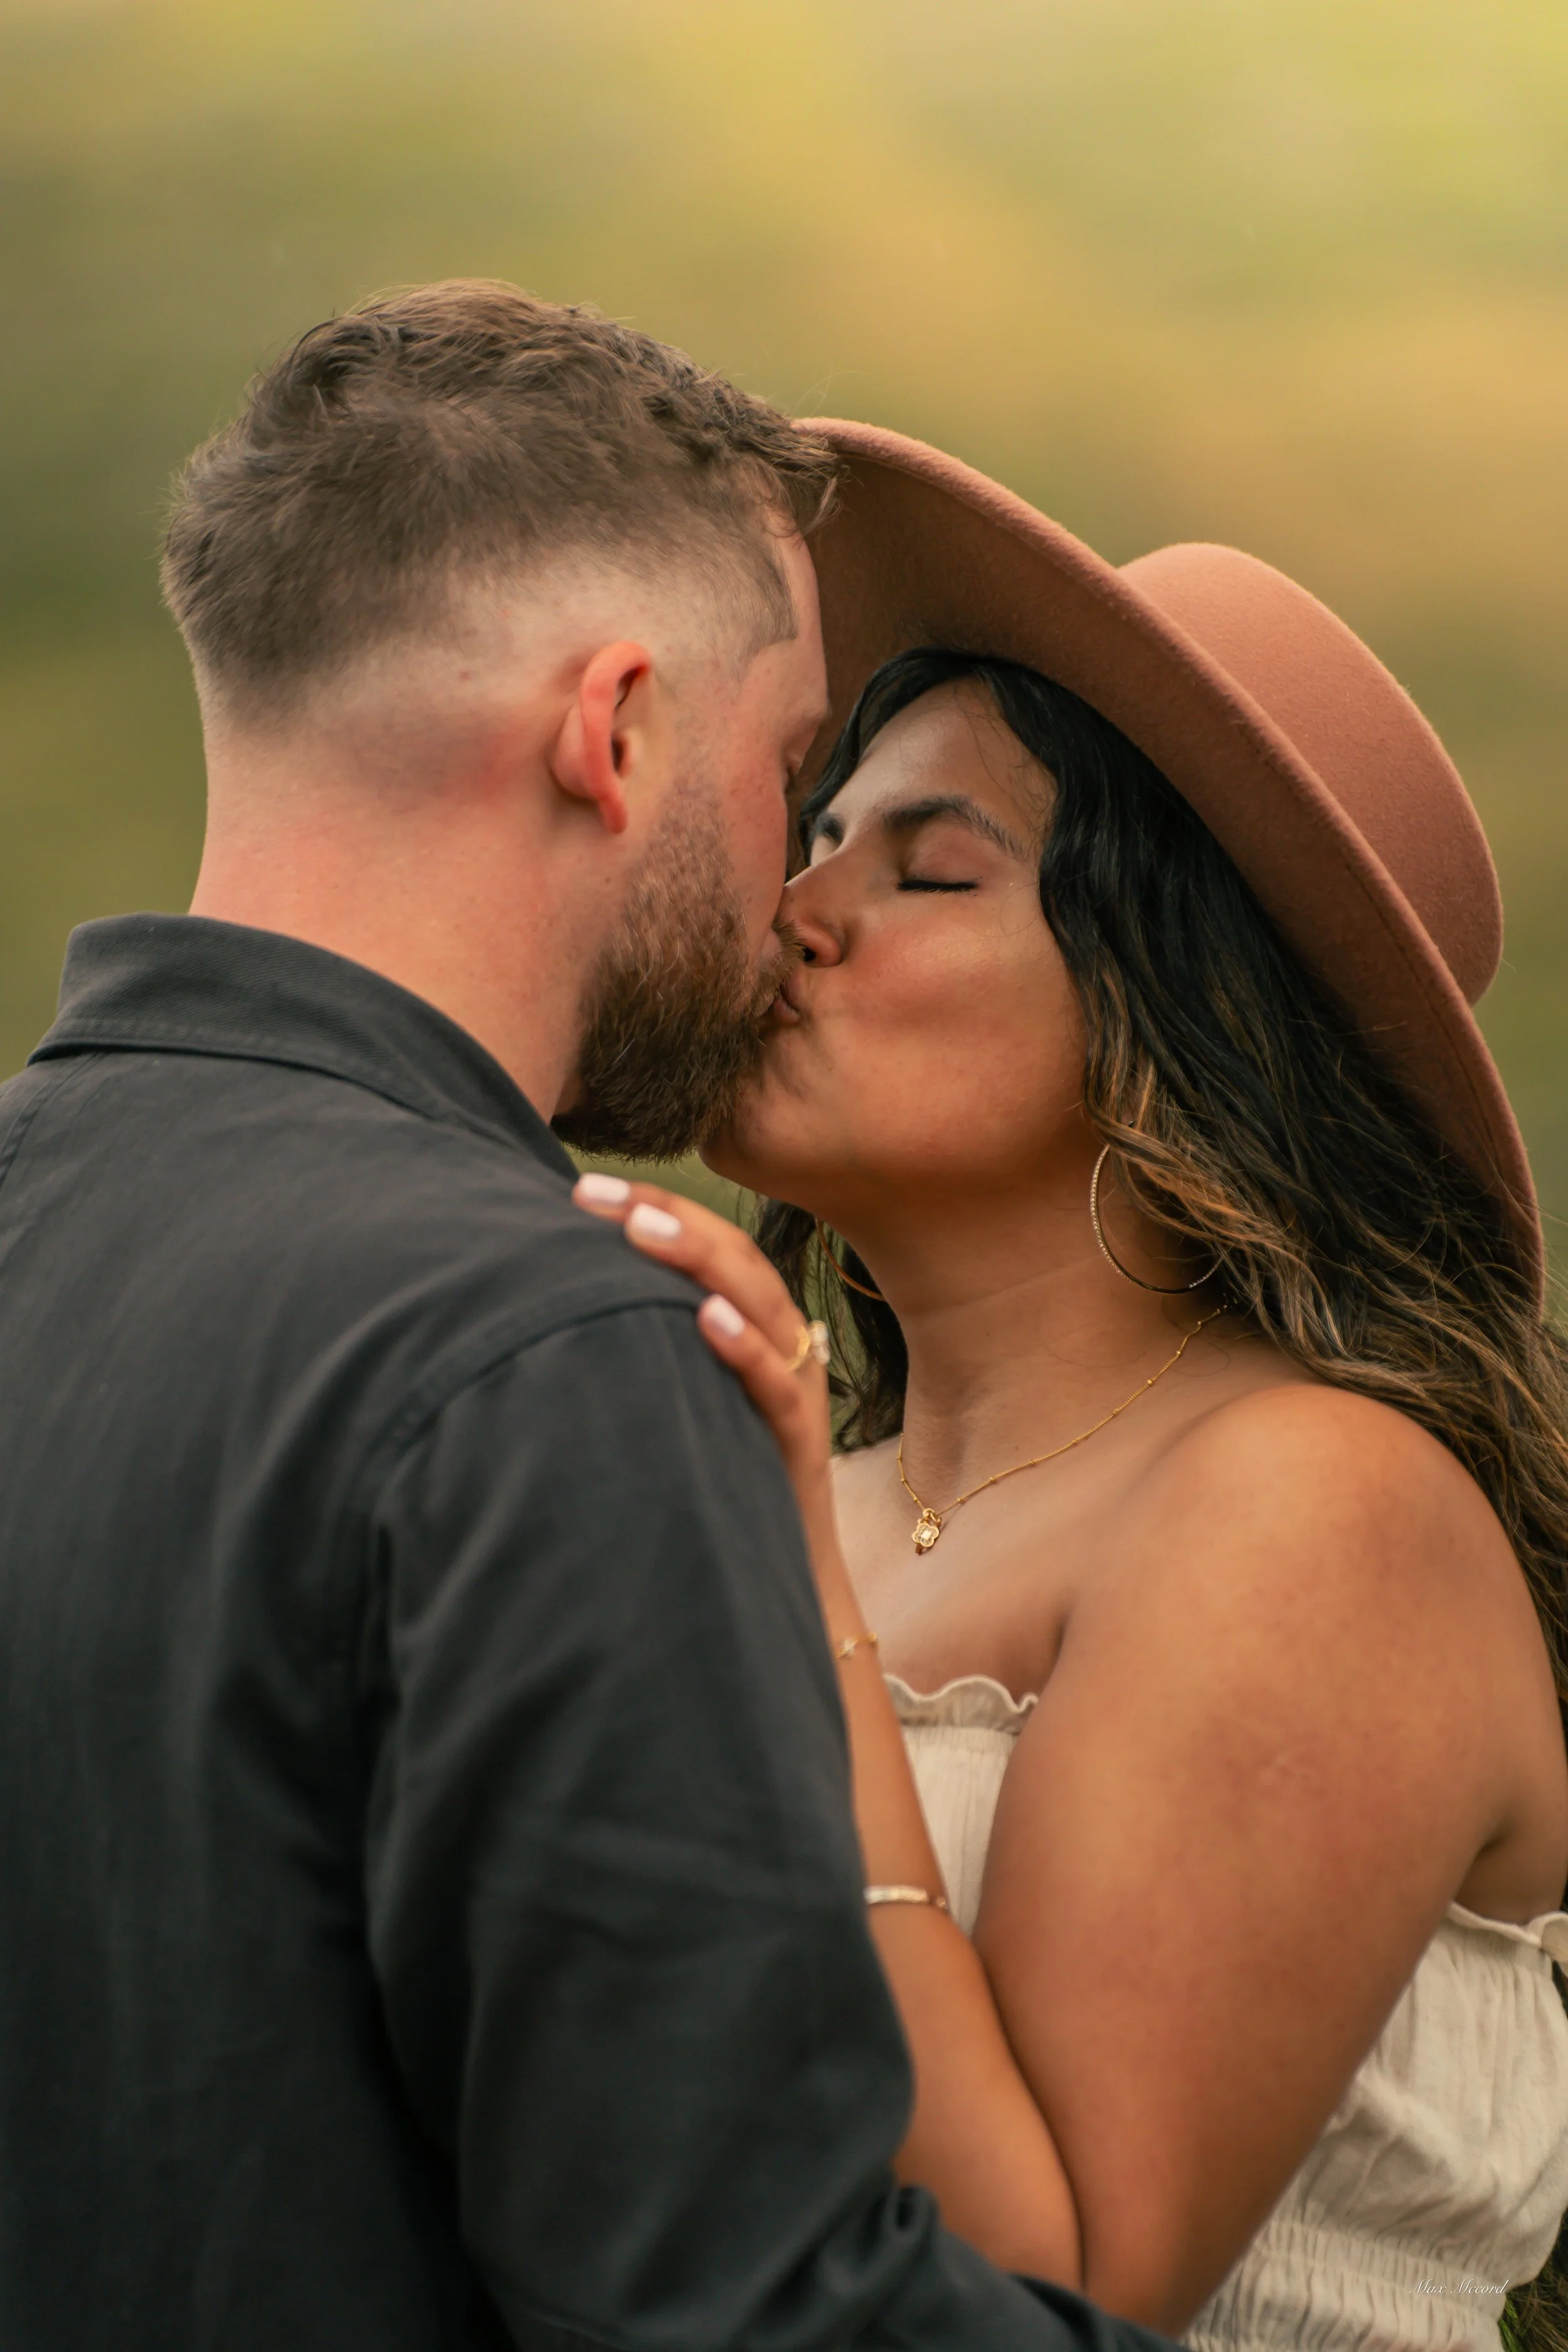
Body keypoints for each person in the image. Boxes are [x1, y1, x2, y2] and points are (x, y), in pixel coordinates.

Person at [0, 299, 1182, 2352]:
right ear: (616, 727)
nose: (791, 888)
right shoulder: (549, 1357)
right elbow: (722, 2308)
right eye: (793, 761)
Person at [578, 424, 1568, 2352]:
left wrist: (792, 1619)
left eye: (929, 872)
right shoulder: (800, 1483)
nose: (792, 908)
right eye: (816, 833)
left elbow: (1047, 2298)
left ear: (1175, 1025)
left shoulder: (1320, 1504)